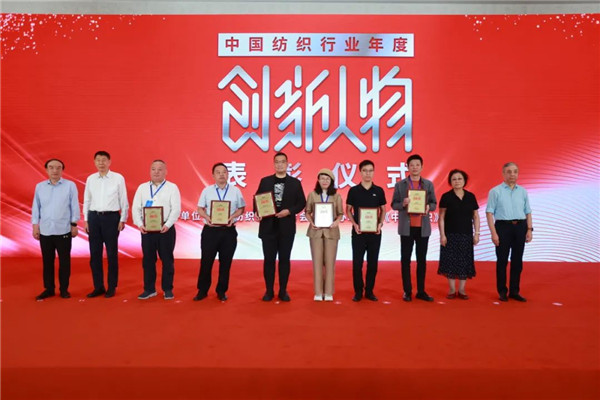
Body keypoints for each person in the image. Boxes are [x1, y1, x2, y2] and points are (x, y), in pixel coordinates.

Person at [254, 152, 306, 302]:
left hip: (286, 228)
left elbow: (301, 203)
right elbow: (257, 200)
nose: (280, 164)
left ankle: (283, 291)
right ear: (274, 164)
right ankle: (269, 291)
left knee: (284, 260)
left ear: (287, 164)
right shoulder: (265, 181)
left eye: (283, 162)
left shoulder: (295, 183)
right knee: (268, 260)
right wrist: (257, 212)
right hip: (268, 227)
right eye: (277, 162)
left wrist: (289, 211)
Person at [194, 163, 246, 301]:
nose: (221, 174)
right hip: (210, 231)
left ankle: (221, 291)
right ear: (213, 175)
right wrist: (207, 218)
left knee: (226, 263)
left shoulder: (235, 191)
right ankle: (202, 290)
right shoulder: (207, 191)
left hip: (228, 231)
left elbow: (241, 208)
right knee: (206, 262)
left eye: (224, 172)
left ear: (228, 174)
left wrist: (232, 217)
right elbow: (200, 208)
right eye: (218, 172)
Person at [132, 160, 181, 300]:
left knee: (167, 260)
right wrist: (139, 224)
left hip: (165, 229)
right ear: (150, 171)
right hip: (147, 230)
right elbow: (136, 208)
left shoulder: (172, 187)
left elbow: (176, 209)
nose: (156, 172)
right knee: (148, 260)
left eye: (160, 169)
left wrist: (168, 224)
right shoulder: (142, 188)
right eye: (153, 169)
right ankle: (149, 289)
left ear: (166, 172)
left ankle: (167, 289)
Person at [31, 159, 80, 300]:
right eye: (51, 167)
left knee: (64, 262)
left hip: (63, 229)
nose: (55, 170)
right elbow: (36, 207)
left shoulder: (70, 185)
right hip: (45, 230)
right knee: (47, 262)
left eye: (58, 168)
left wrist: (74, 225)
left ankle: (64, 289)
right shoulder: (40, 187)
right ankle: (49, 289)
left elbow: (74, 206)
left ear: (62, 170)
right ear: (46, 170)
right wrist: (35, 225)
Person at [391, 154, 437, 302]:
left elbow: (434, 203)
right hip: (406, 228)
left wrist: (428, 207)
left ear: (422, 167)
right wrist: (403, 204)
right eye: (412, 165)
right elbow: (394, 204)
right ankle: (407, 291)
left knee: (421, 260)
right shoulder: (400, 185)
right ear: (408, 167)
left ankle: (421, 291)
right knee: (405, 259)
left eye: (417, 165)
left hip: (423, 228)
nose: (415, 167)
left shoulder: (428, 184)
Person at [83, 150, 129, 298]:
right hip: (94, 218)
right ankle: (98, 286)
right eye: (98, 160)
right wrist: (86, 220)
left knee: (111, 254)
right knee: (95, 254)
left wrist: (123, 219)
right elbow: (87, 200)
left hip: (111, 218)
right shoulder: (91, 179)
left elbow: (123, 200)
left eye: (104, 160)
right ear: (94, 162)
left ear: (109, 162)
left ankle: (112, 286)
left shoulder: (118, 178)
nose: (101, 163)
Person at [486, 162, 533, 302]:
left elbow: (528, 211)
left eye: (515, 171)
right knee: (502, 260)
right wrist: (493, 233)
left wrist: (529, 229)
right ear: (503, 174)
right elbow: (489, 213)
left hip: (520, 226)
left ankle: (514, 291)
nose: (512, 174)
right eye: (509, 172)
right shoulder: (495, 191)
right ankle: (502, 291)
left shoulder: (523, 191)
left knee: (517, 261)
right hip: (503, 227)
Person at [346, 160, 387, 302]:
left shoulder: (379, 191)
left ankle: (369, 291)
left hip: (375, 233)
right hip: (358, 233)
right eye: (365, 170)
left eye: (370, 170)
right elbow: (348, 210)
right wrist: (354, 224)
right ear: (360, 172)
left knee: (373, 263)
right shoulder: (354, 190)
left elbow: (383, 210)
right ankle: (358, 291)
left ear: (374, 172)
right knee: (357, 264)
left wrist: (380, 224)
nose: (367, 173)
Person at [438, 169, 480, 299]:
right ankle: (451, 289)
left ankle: (462, 290)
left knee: (464, 262)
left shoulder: (470, 196)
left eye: (459, 179)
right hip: (450, 235)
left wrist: (477, 233)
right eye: (454, 179)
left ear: (464, 180)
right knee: (450, 262)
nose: (457, 181)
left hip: (466, 235)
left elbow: (476, 216)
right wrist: (442, 235)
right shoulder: (446, 197)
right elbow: (441, 217)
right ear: (450, 182)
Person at [304, 168, 344, 302]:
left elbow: (340, 213)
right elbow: (307, 211)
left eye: (327, 179)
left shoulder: (336, 196)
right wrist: (311, 222)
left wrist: (336, 222)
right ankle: (318, 292)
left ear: (331, 181)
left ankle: (328, 292)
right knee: (317, 263)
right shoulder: (312, 194)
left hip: (331, 232)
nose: (325, 181)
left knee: (330, 263)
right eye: (322, 178)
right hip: (315, 232)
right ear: (318, 180)